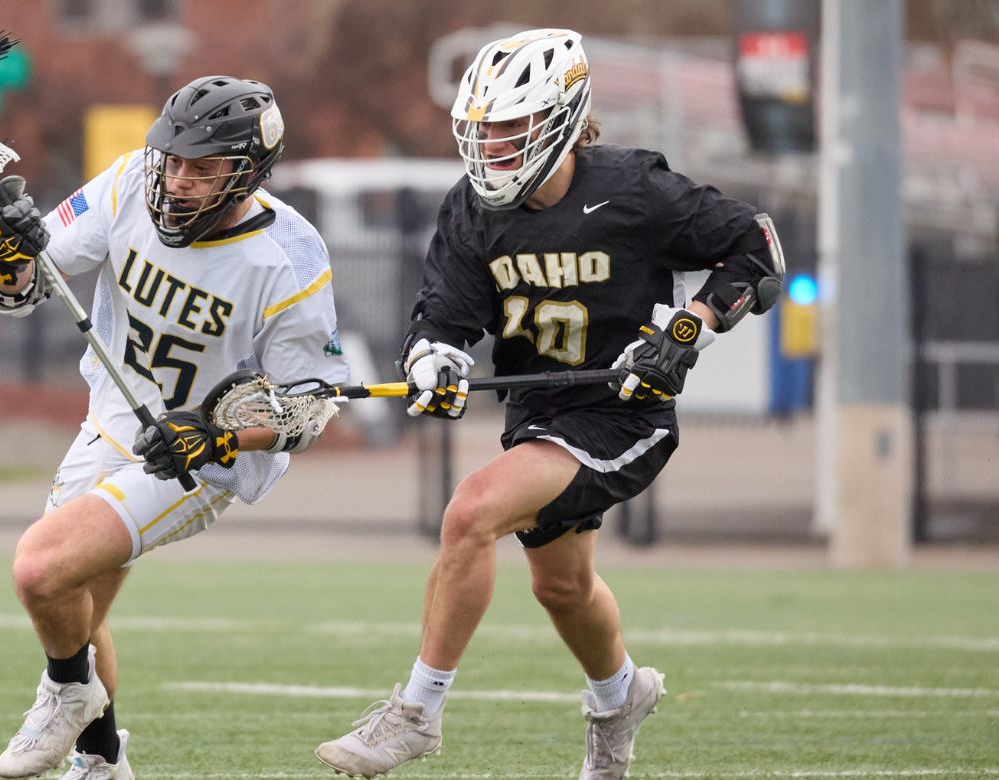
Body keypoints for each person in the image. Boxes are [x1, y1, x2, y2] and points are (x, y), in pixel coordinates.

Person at [314, 28, 783, 780]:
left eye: (510, 129)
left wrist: (685, 332)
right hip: (541, 418)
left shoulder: (633, 190)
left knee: (471, 510)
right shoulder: (472, 209)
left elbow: (755, 245)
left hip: (624, 412)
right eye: (483, 131)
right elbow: (444, 316)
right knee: (561, 586)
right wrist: (434, 360)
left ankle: (416, 713)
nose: (493, 146)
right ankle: (620, 695)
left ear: (562, 118)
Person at [0, 75, 350, 780]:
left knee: (40, 569)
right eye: (172, 160)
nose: (177, 181)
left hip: (195, 461)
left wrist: (218, 436)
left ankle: (65, 691)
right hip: (110, 422)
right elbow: (25, 284)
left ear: (248, 173)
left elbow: (310, 408)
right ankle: (100, 758)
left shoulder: (290, 259)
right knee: (76, 601)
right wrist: (4, 263)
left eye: (203, 169)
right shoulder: (126, 184)